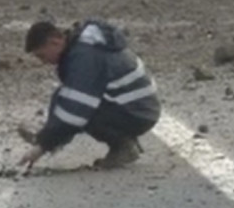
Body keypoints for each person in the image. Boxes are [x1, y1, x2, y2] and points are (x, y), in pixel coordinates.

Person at [18, 19, 161, 171]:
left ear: (55, 41)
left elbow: (75, 111)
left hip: (138, 113)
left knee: (82, 109)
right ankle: (50, 136)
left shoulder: (85, 57)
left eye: (41, 55)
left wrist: (42, 147)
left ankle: (123, 146)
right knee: (65, 96)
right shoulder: (84, 48)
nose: (43, 62)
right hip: (140, 107)